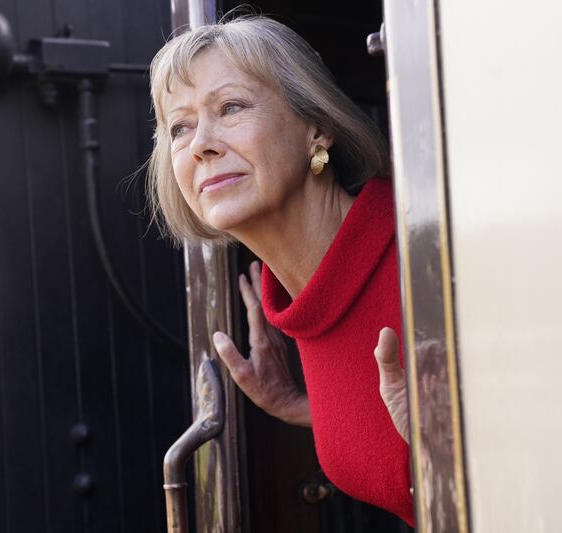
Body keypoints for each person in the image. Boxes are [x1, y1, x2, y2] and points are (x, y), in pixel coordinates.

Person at [147, 14, 413, 526]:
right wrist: (311, 409)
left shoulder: (418, 255)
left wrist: (443, 444)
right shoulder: (304, 304)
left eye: (231, 108)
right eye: (179, 126)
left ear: (317, 129)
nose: (201, 143)